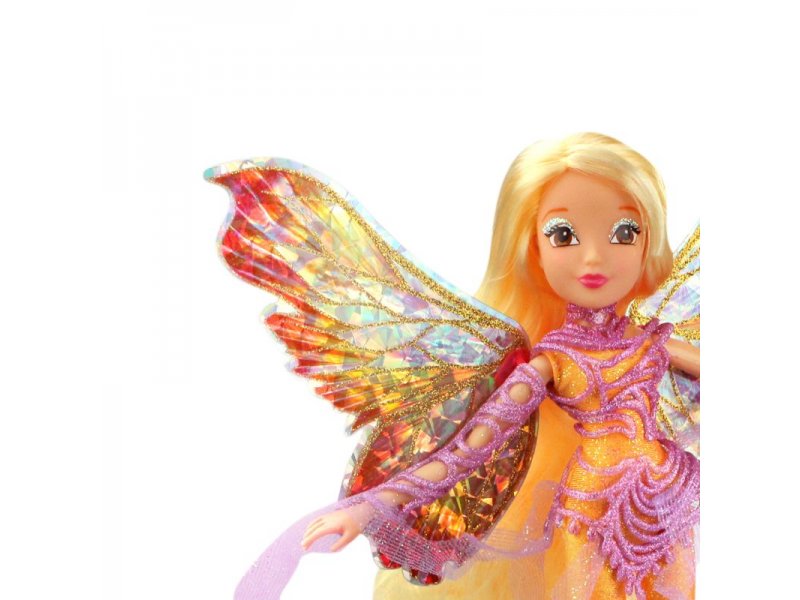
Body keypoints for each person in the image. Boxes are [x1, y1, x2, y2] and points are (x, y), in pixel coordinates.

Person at [208, 132, 700, 599]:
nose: (594, 257)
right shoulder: (551, 362)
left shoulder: (654, 343)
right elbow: (468, 449)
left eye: (624, 232)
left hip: (669, 497)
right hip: (594, 512)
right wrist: (368, 507)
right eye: (563, 234)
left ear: (649, 242)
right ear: (533, 248)